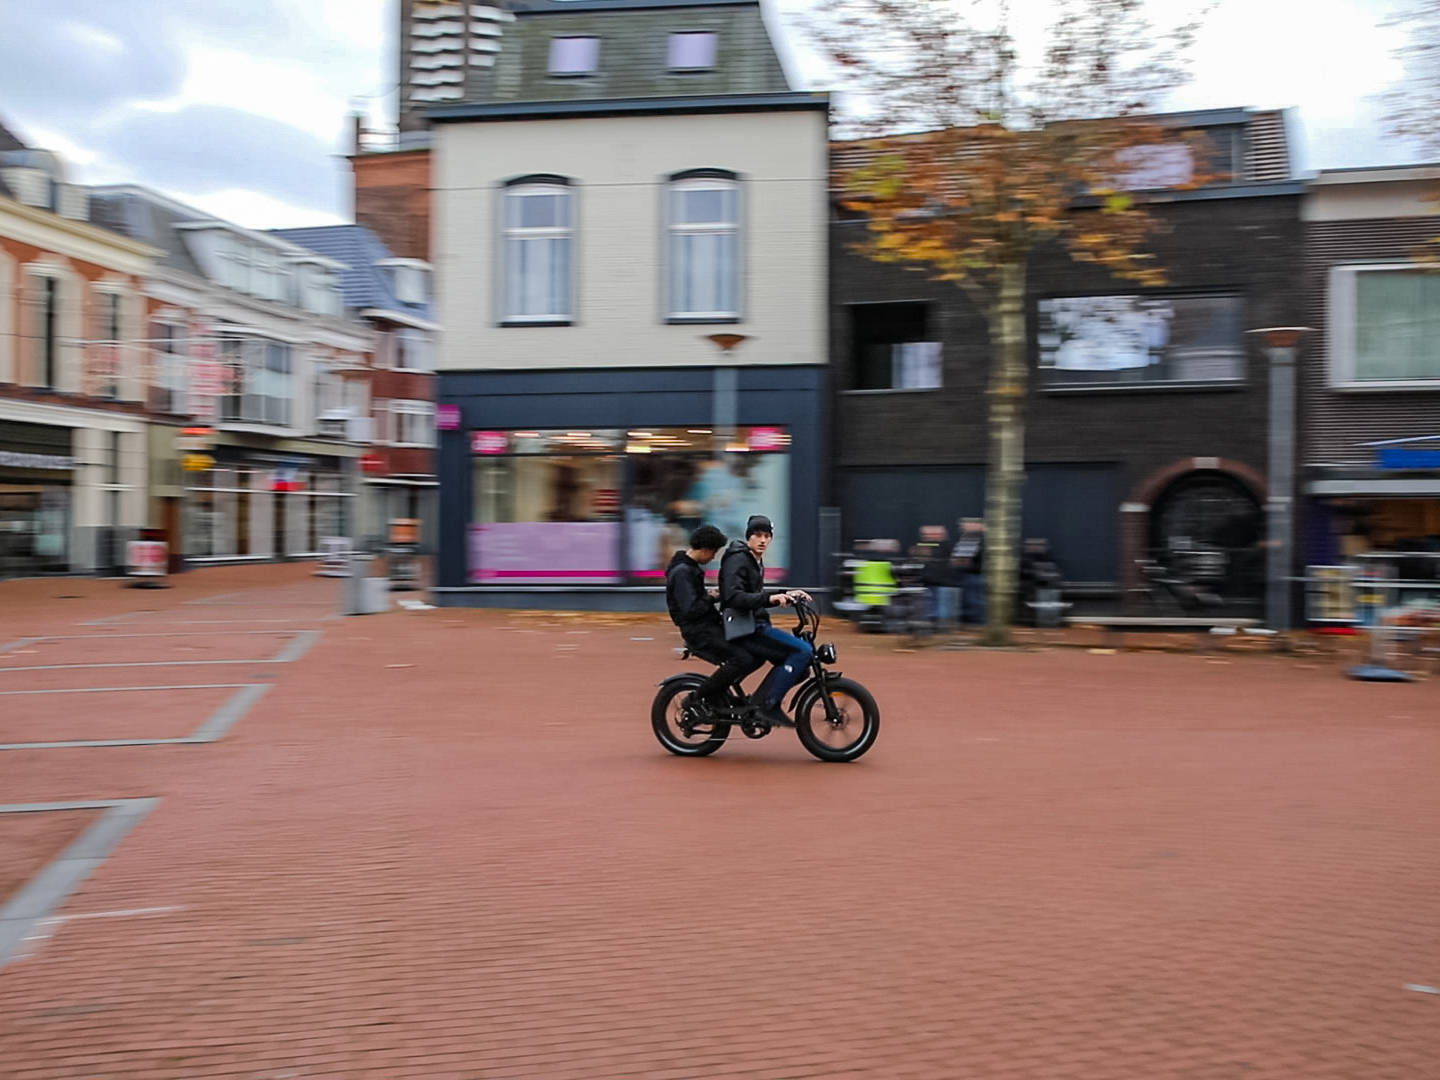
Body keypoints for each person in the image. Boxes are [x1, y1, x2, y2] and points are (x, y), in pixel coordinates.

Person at [720, 515, 813, 727]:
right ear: (749, 537)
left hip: (755, 625)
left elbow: (756, 595)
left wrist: (787, 593)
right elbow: (733, 597)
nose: (763, 540)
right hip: (746, 629)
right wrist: (770, 599)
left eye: (767, 536)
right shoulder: (738, 559)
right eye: (757, 535)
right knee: (803, 651)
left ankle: (759, 703)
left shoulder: (754, 560)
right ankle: (768, 705)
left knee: (801, 667)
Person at [664, 525, 762, 707]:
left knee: (753, 651)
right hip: (700, 632)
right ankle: (698, 698)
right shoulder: (683, 572)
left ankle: (720, 691)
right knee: (742, 659)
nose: (713, 557)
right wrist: (711, 597)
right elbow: (691, 609)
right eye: (713, 552)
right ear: (705, 549)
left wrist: (709, 596)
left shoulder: (687, 568)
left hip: (706, 627)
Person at [952, 517, 987, 625]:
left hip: (975, 574)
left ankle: (977, 622)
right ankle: (974, 621)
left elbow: (962, 558)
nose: (963, 526)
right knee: (972, 599)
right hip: (971, 574)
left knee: (974, 600)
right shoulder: (976, 538)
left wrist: (959, 561)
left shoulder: (973, 538)